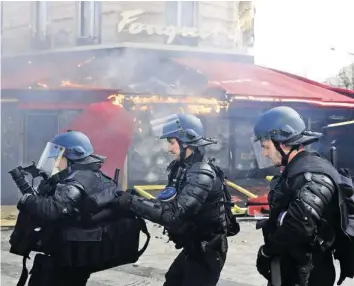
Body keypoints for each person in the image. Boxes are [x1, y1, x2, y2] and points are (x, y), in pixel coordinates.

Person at [114, 113, 239, 286]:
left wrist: (131, 203)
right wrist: (136, 198)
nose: (169, 148)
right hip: (193, 247)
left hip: (207, 250)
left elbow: (174, 214)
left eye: (172, 142)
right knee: (173, 279)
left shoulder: (201, 173)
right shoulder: (182, 169)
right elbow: (166, 203)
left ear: (186, 142)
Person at [15, 130, 148, 286]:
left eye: (59, 156)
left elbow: (56, 210)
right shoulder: (91, 174)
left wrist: (27, 200)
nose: (55, 162)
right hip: (76, 258)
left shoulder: (76, 181)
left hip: (66, 260)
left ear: (72, 156)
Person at [252, 106, 348, 286]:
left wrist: (267, 251)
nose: (264, 153)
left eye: (266, 146)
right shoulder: (295, 169)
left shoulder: (313, 174)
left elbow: (299, 224)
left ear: (282, 143)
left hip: (309, 273)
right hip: (292, 266)